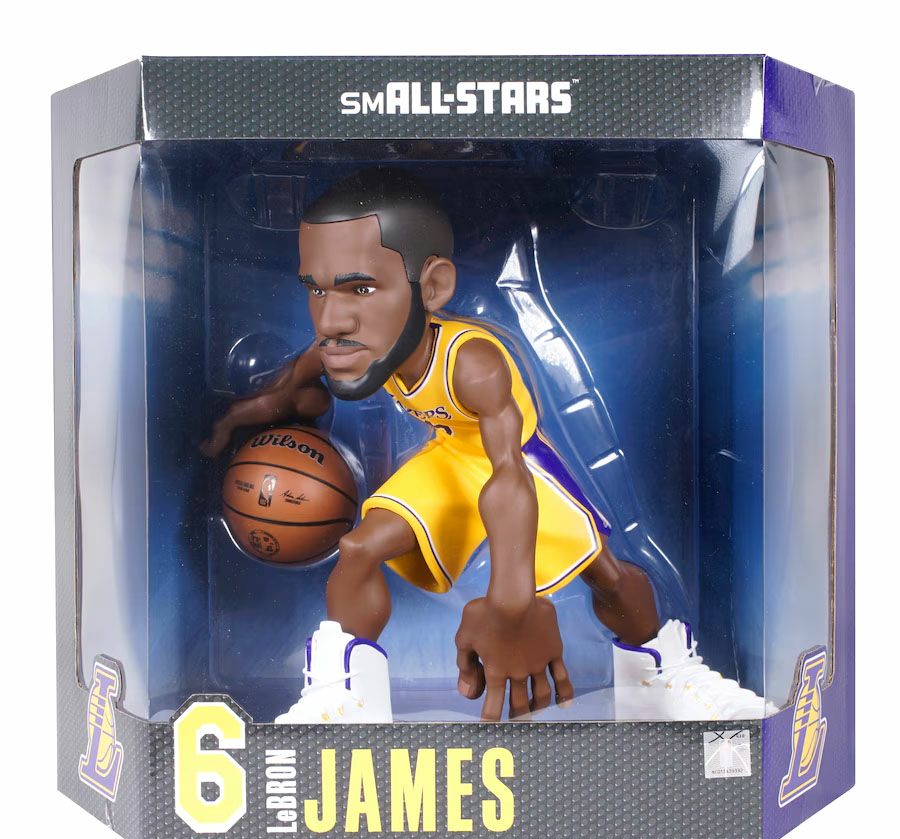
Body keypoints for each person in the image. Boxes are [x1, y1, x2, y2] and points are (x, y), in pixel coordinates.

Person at [202, 169, 769, 723]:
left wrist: (511, 602)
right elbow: (292, 382)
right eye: (315, 289)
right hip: (451, 458)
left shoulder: (472, 363)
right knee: (359, 548)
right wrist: (235, 420)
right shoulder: (354, 342)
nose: (330, 317)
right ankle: (343, 698)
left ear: (432, 288)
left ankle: (667, 675)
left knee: (606, 574)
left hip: (519, 465)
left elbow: (507, 474)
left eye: (361, 289)